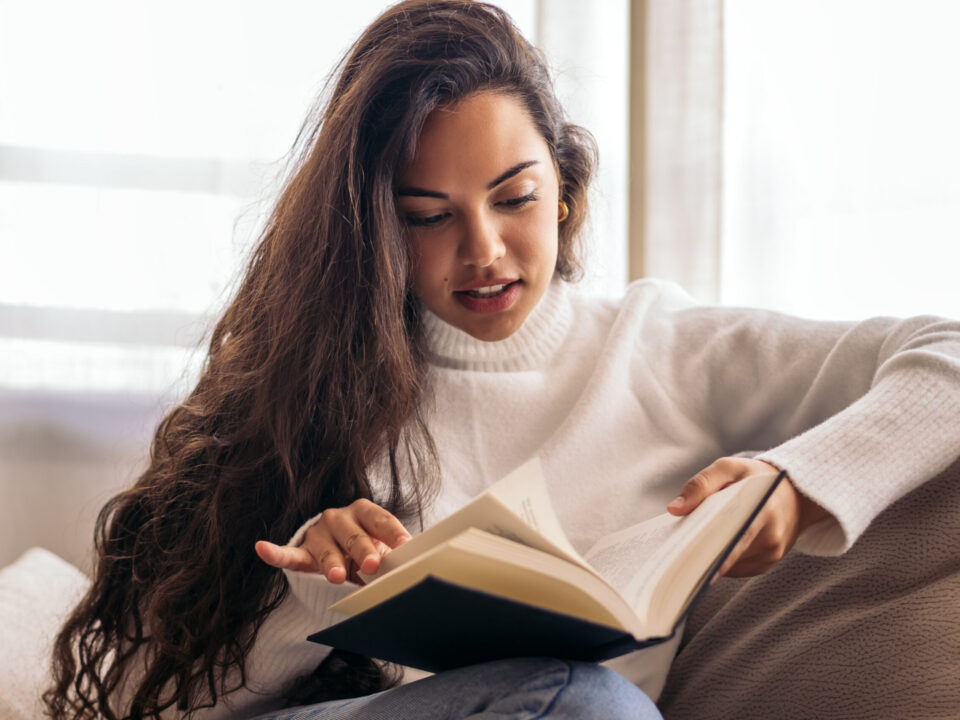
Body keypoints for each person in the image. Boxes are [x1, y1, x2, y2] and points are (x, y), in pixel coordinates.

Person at [44, 1, 960, 719]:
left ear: (564, 189)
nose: (482, 250)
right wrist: (310, 603)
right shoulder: (314, 387)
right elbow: (136, 703)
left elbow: (947, 354)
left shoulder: (664, 348)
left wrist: (795, 481)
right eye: (429, 215)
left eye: (512, 198)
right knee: (587, 702)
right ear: (376, 232)